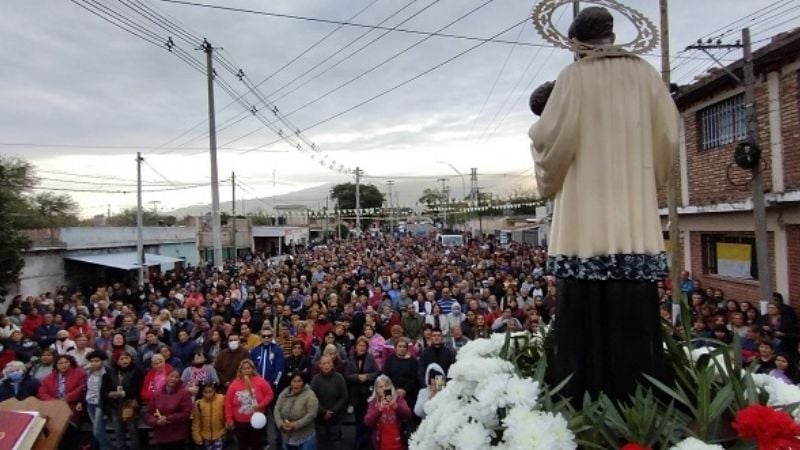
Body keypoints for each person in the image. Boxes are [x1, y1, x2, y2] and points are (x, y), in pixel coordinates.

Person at [528, 5, 678, 403]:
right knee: (634, 318)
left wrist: (536, 142)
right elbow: (668, 137)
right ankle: (642, 401)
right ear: (611, 36)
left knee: (583, 315)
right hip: (633, 216)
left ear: (576, 45)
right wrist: (648, 180)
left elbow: (550, 140)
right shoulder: (646, 74)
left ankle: (583, 398)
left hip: (584, 220)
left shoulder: (574, 78)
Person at [224, 359, 274, 450]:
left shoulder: (260, 381)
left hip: (256, 421)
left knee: (257, 445)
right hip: (240, 423)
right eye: (244, 368)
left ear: (253, 369)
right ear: (240, 370)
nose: (247, 370)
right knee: (243, 445)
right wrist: (229, 418)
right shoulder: (234, 384)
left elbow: (270, 394)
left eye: (249, 368)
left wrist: (260, 405)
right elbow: (228, 402)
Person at [346, 336, 381, 450]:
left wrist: (367, 377)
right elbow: (347, 375)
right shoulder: (350, 359)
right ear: (355, 347)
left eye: (364, 346)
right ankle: (359, 441)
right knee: (359, 418)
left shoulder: (370, 358)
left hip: (368, 393)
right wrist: (357, 377)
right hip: (355, 393)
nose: (361, 348)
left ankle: (369, 442)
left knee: (369, 417)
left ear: (367, 348)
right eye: (359, 345)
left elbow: (377, 373)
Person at [103, 351, 144, 450]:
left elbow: (138, 388)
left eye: (126, 358)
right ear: (116, 361)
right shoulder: (110, 372)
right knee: (118, 431)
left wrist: (123, 393)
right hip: (115, 406)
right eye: (121, 359)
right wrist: (109, 394)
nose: (124, 360)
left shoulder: (137, 371)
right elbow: (104, 389)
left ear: (130, 359)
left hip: (129, 404)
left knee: (132, 430)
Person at [145, 369, 193, 450]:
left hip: (177, 436)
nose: (173, 379)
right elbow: (149, 413)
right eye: (171, 376)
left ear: (179, 379)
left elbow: (186, 413)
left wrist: (168, 418)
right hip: (160, 435)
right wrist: (156, 421)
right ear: (167, 377)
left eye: (176, 377)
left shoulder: (184, 393)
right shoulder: (157, 394)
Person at [364, 374, 413, 450]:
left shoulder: (398, 399)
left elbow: (408, 414)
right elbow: (367, 421)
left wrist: (396, 406)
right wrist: (379, 409)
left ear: (391, 386)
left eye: (386, 386)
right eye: (381, 387)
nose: (384, 389)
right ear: (376, 389)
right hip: (381, 445)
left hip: (399, 443)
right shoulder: (373, 402)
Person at [311, 355, 349, 450]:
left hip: (336, 416)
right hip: (320, 417)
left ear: (332, 365)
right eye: (324, 363)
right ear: (320, 365)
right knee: (321, 441)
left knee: (335, 440)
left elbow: (344, 397)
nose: (326, 365)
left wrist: (332, 411)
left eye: (328, 363)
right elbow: (312, 398)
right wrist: (324, 412)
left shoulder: (339, 378)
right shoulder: (315, 379)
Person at [275, 371, 319, 450]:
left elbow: (312, 414)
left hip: (305, 438)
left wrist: (295, 425)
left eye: (299, 381)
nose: (296, 384)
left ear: (303, 382)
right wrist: (281, 424)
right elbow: (276, 410)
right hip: (287, 437)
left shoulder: (310, 395)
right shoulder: (284, 394)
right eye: (294, 381)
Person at [85, 350, 113, 450]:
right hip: (89, 403)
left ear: (102, 361)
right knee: (98, 430)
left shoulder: (108, 372)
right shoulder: (88, 372)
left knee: (97, 431)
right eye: (92, 361)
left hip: (100, 404)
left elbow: (110, 388)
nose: (94, 363)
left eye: (97, 361)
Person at [382, 337, 420, 411]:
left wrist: (404, 390)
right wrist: (395, 389)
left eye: (404, 347)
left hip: (408, 391)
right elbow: (385, 375)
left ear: (407, 348)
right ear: (395, 348)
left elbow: (414, 378)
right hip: (392, 389)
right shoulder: (390, 359)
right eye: (400, 346)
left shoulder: (413, 361)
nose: (402, 348)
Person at [192, 383, 227, 450]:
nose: (208, 394)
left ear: (214, 390)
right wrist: (197, 436)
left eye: (210, 391)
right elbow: (196, 422)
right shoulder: (198, 403)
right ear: (202, 392)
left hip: (219, 434)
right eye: (205, 392)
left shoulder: (222, 399)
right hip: (205, 436)